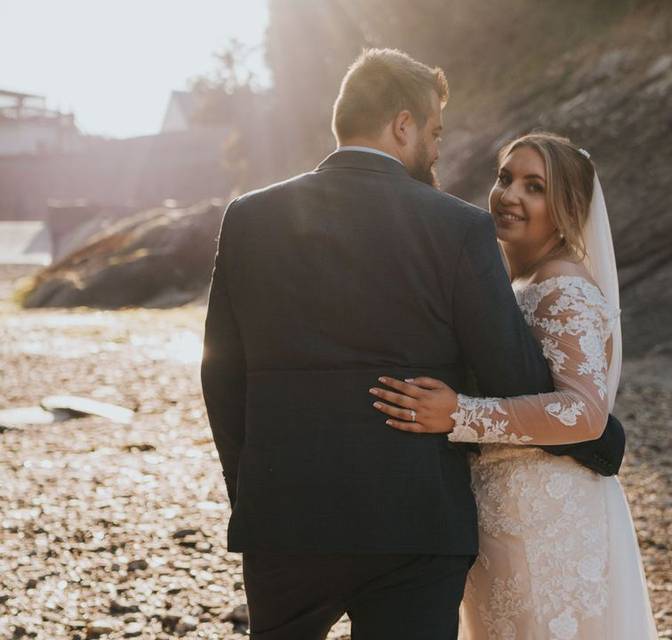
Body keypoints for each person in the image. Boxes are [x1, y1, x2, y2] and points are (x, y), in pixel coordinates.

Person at [201, 49, 623, 639]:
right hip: (417, 525)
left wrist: (254, 493)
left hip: (283, 519)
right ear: (403, 125)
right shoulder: (458, 227)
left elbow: (221, 375)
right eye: (434, 132)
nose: (437, 150)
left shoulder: (249, 216)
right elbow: (517, 379)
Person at [371, 133, 659, 638]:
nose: (509, 195)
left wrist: (459, 414)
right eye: (505, 178)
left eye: (534, 187)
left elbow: (585, 412)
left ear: (566, 206)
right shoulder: (523, 282)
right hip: (507, 509)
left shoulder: (563, 287)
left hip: (548, 517)